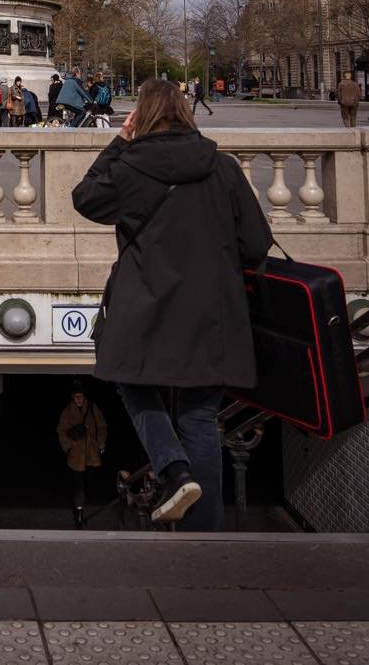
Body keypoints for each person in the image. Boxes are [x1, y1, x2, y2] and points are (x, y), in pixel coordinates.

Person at [71, 79, 271, 529]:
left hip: (149, 307)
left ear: (139, 117)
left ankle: (173, 469)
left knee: (131, 382)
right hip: (214, 313)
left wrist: (119, 143)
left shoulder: (130, 169)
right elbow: (256, 244)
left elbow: (85, 198)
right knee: (200, 416)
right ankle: (207, 533)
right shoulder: (223, 168)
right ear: (185, 112)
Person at [57, 380, 107, 529]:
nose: (79, 399)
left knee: (89, 478)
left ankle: (84, 497)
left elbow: (102, 426)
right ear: (73, 397)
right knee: (78, 484)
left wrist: (101, 444)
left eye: (81, 396)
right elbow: (61, 429)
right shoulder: (68, 411)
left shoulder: (93, 408)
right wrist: (69, 446)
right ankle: (79, 512)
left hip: (91, 452)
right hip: (77, 454)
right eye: (76, 397)